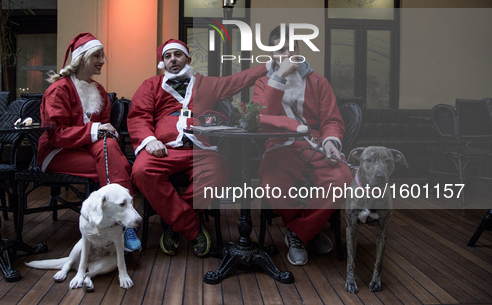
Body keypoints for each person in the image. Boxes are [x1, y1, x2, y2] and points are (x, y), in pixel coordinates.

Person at [127, 39, 268, 257]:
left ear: (188, 58)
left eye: (178, 54)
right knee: (141, 170)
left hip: (199, 148)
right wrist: (148, 140)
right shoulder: (150, 85)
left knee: (219, 173)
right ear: (162, 63)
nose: (173, 59)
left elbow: (238, 80)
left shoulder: (206, 84)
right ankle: (192, 227)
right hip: (163, 148)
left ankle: (173, 222)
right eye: (168, 56)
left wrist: (268, 67)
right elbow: (138, 117)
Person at [253, 25, 352, 266]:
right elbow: (264, 116)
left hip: (316, 144)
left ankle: (298, 233)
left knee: (341, 178)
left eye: (291, 48)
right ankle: (308, 230)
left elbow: (331, 119)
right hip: (281, 145)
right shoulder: (262, 83)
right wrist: (279, 77)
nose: (287, 53)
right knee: (272, 185)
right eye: (280, 49)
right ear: (271, 54)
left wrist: (330, 142)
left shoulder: (318, 81)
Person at [38, 32, 141, 252]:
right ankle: (123, 227)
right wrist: (98, 131)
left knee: (109, 148)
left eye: (102, 56)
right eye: (97, 55)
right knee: (116, 164)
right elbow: (56, 135)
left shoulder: (99, 90)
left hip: (89, 150)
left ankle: (112, 225)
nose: (102, 61)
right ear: (82, 58)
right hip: (56, 152)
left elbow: (103, 129)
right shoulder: (59, 90)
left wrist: (109, 132)